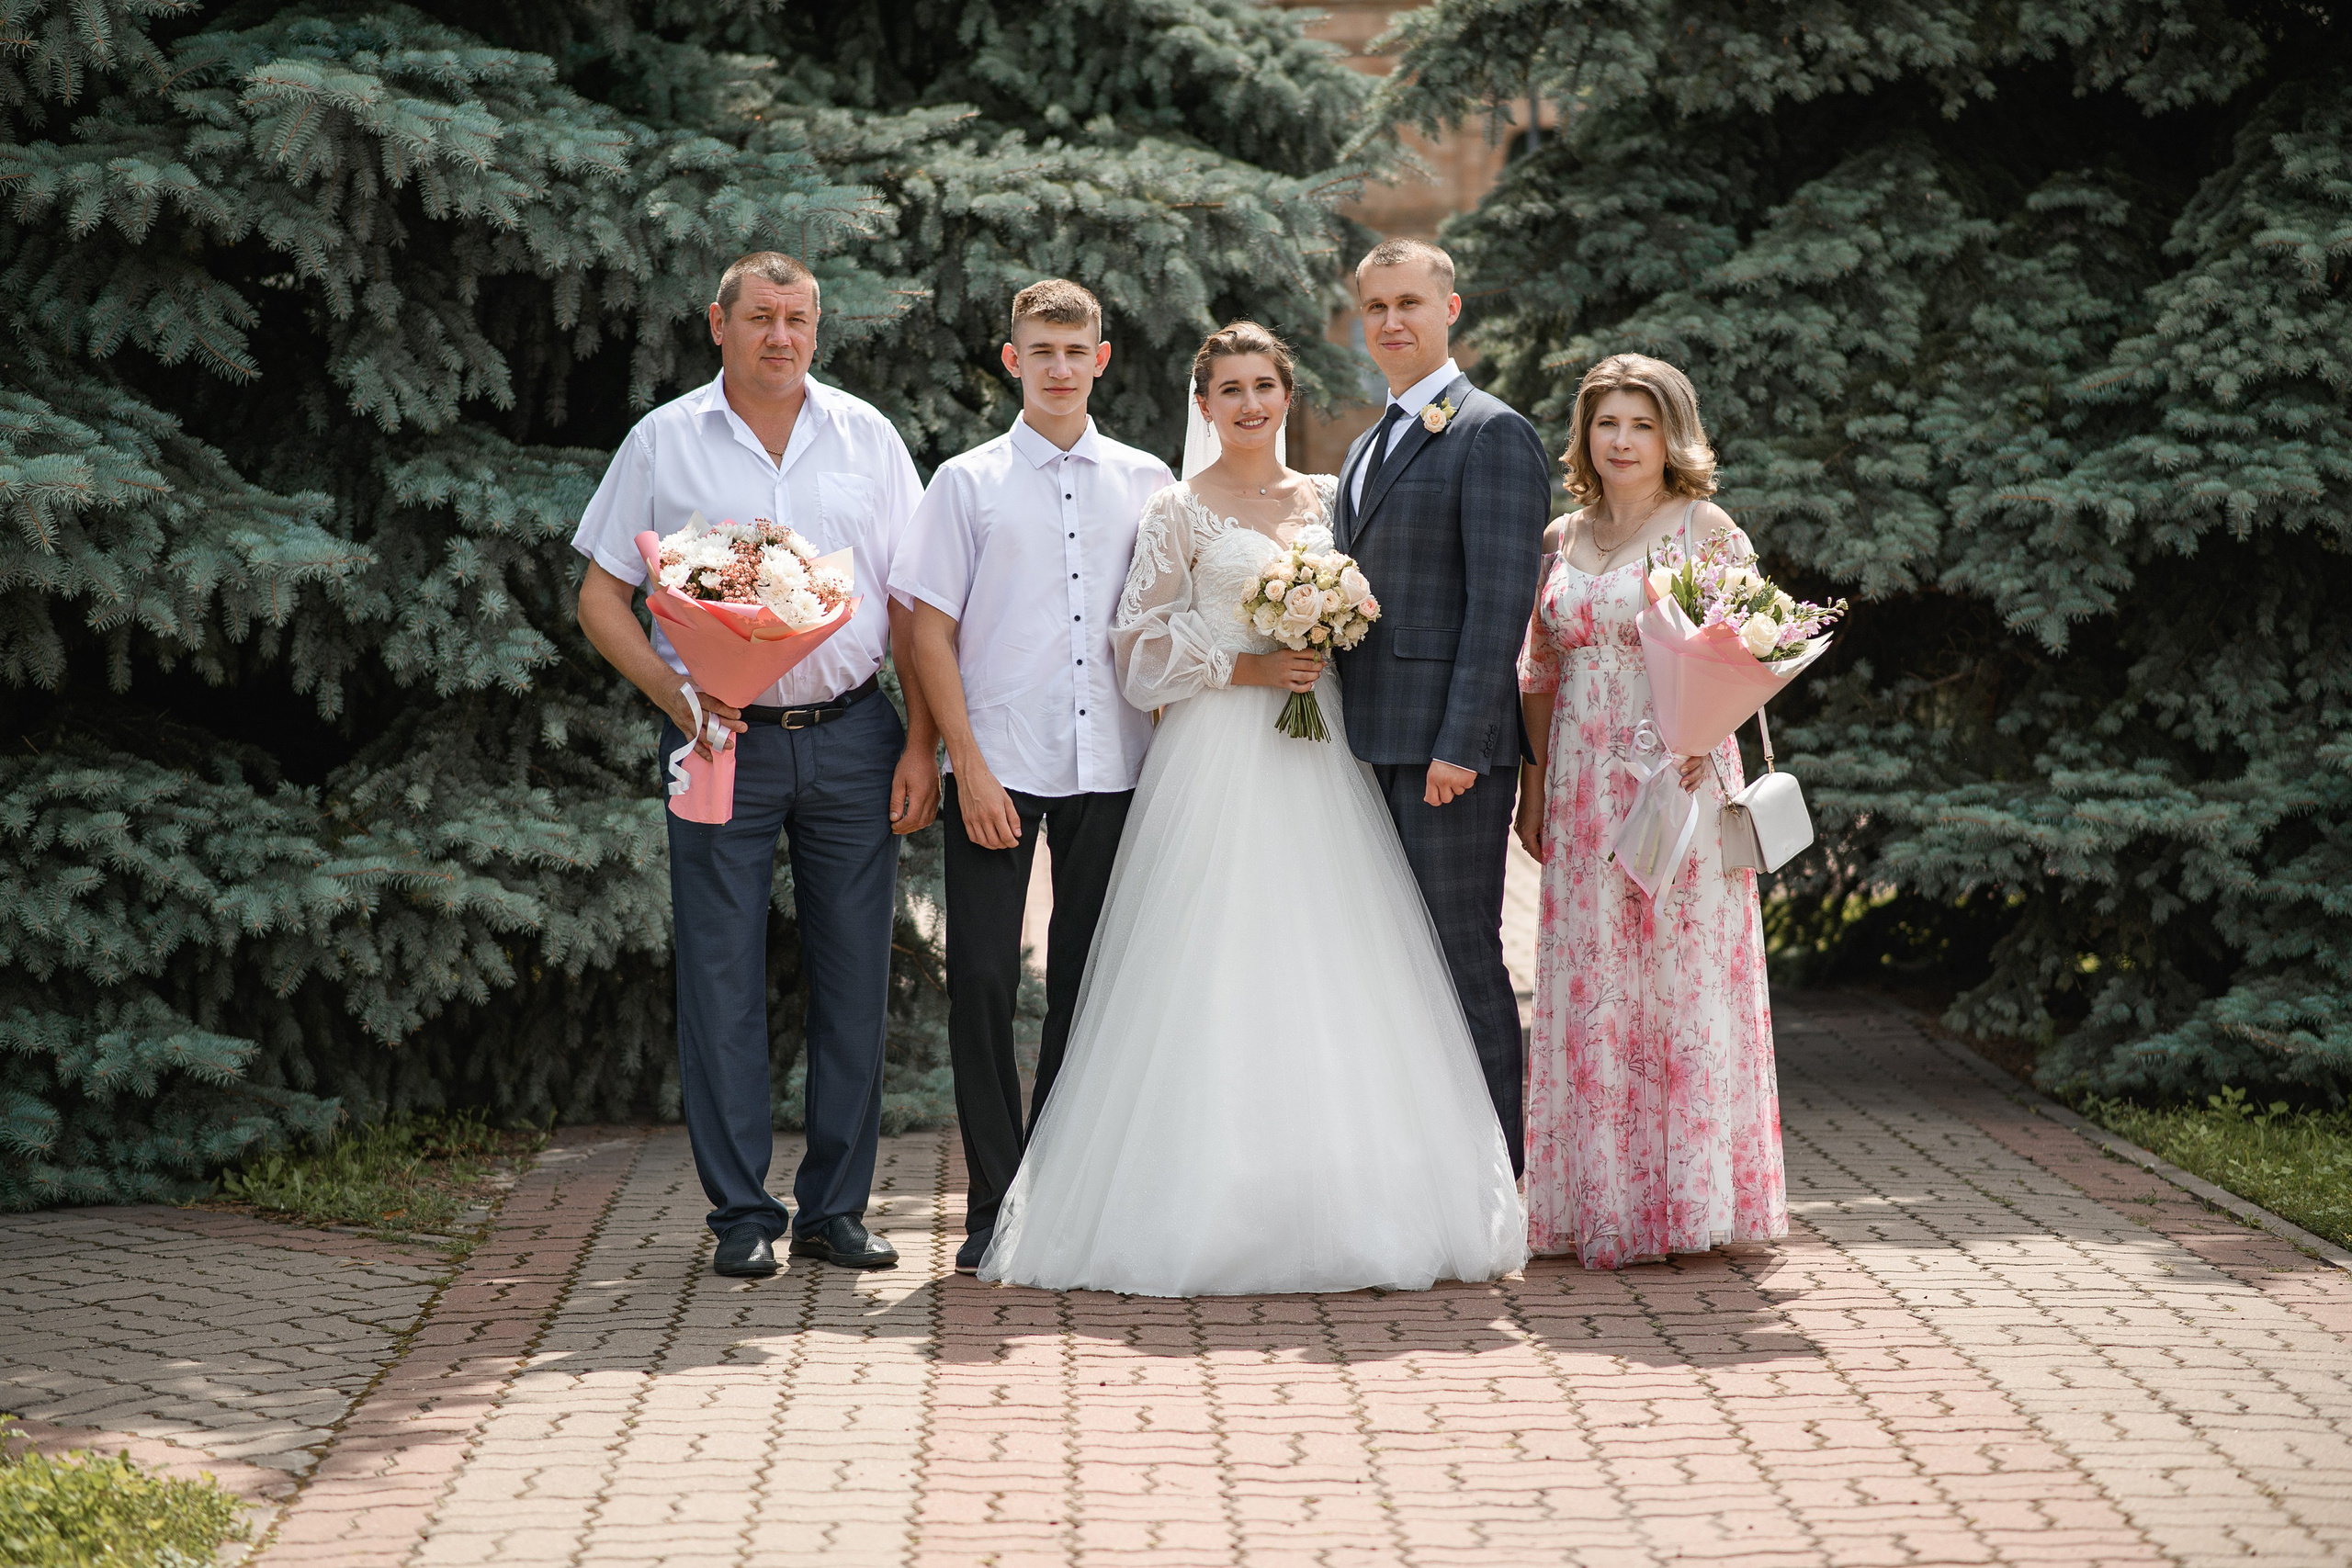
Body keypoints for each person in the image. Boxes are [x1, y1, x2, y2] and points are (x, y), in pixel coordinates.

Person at [978, 321, 1526, 1297]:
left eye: (1263, 385)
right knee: (1215, 965)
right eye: (1227, 389)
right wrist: (1246, 664)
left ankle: (1344, 1189)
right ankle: (1207, 1198)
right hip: (1218, 759)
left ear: (1286, 395)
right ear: (1203, 406)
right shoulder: (1178, 511)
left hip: (1323, 765)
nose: (1248, 404)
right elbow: (1136, 647)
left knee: (1332, 966)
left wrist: (1327, 632)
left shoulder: (1326, 498)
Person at [572, 252, 940, 1280]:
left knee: (855, 976)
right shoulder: (664, 440)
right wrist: (681, 698)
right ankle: (740, 1214)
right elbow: (601, 598)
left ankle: (834, 1212)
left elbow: (910, 604)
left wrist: (921, 739)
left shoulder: (866, 437)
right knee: (721, 973)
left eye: (800, 318)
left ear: (817, 328)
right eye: (763, 317)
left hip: (853, 736)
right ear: (718, 324)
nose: (783, 336)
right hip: (714, 743)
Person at [889, 279, 1174, 1275]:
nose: (1058, 366)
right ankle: (991, 1203)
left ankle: (1054, 1198)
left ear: (1102, 359)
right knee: (977, 980)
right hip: (997, 766)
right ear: (1011, 360)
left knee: (1085, 989)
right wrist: (959, 761)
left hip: (1116, 768)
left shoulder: (1147, 481)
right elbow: (927, 627)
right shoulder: (964, 483)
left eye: (1074, 350)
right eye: (1038, 350)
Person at [1513, 352, 1788, 1269]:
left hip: (1676, 776)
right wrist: (1534, 787)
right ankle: (1594, 1199)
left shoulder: (1702, 528)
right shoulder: (1562, 536)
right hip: (1580, 788)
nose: (1622, 440)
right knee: (1595, 987)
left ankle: (1690, 1200)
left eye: (1640, 423)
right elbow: (1538, 673)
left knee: (1678, 982)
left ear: (1673, 435)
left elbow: (1755, 656)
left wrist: (1698, 740)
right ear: (1584, 436)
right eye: (1606, 423)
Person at [1330, 239, 1553, 1176]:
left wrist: (1461, 745)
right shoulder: (1363, 440)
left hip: (1444, 757)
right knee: (1388, 961)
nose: (1390, 322)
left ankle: (1503, 1170)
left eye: (1409, 303)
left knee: (1460, 952)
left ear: (1450, 309)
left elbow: (1500, 604)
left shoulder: (1488, 431)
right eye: (1375, 306)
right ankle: (1420, 1163)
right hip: (1362, 746)